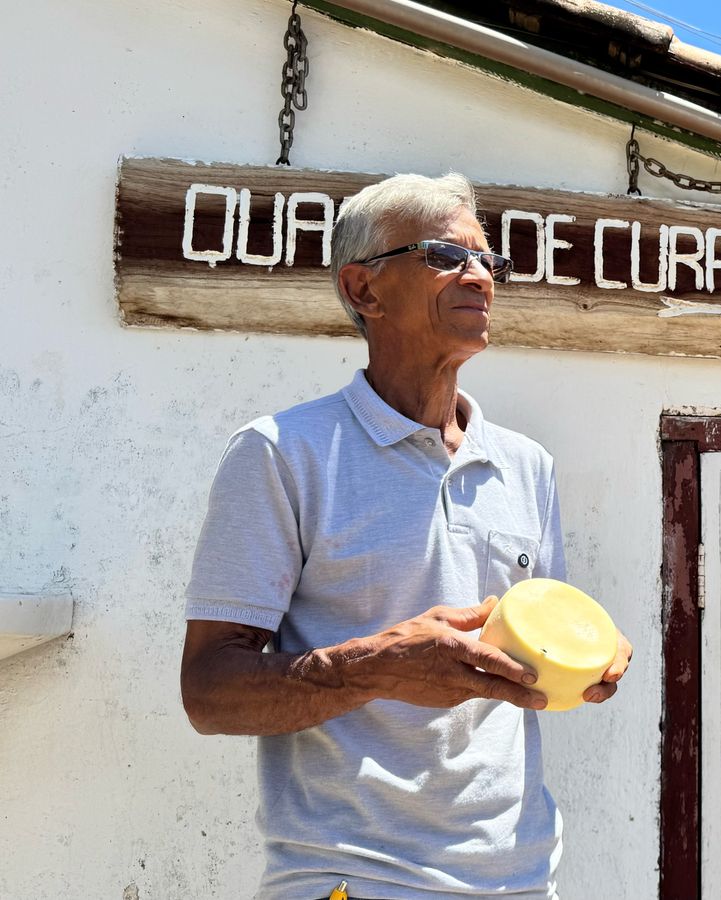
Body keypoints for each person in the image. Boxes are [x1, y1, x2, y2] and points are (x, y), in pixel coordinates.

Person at [179, 173, 631, 900]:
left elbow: (535, 656)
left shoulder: (527, 465)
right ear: (363, 290)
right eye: (446, 256)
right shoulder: (281, 453)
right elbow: (208, 692)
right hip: (353, 879)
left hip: (520, 880)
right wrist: (375, 667)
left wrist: (591, 657)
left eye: (488, 261)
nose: (479, 277)